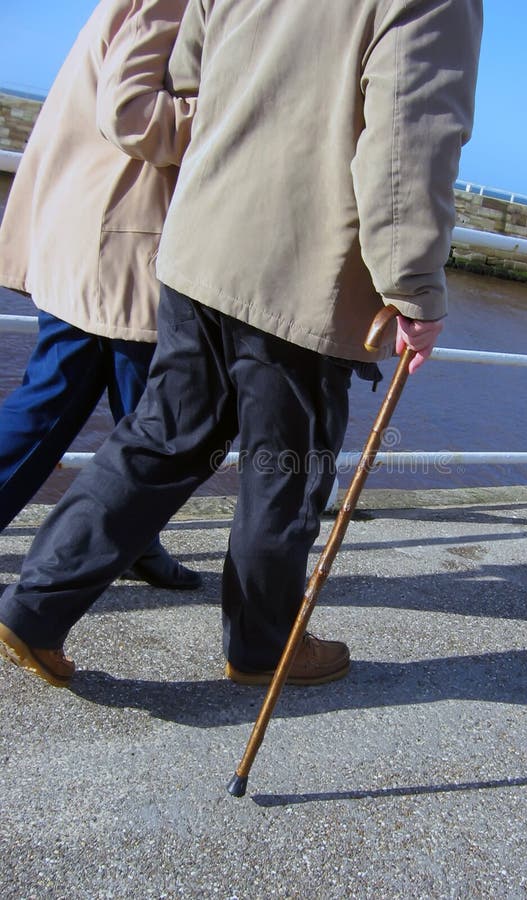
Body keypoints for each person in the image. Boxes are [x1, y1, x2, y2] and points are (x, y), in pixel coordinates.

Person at [0, 0, 483, 689]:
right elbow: (411, 141)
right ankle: (264, 648)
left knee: (161, 437)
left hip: (199, 241)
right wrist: (413, 288)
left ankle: (34, 607)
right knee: (285, 468)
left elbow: (191, 71)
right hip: (300, 264)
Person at [0, 0, 201, 590]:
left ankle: (136, 542)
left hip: (104, 231)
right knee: (144, 422)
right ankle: (127, 547)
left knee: (135, 416)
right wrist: (237, 120)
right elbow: (131, 113)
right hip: (117, 240)